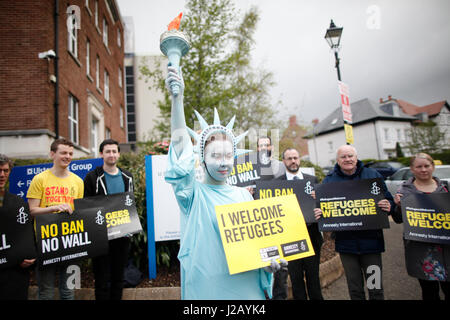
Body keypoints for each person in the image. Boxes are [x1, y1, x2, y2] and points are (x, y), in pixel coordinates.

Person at [164, 64, 280, 299]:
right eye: (215, 155)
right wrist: (178, 100)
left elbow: (257, 242)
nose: (224, 162)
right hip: (208, 289)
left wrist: (269, 263)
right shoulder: (191, 195)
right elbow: (179, 145)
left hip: (247, 286)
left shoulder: (244, 195)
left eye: (228, 155)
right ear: (202, 158)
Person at [314, 144, 394, 300]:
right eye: (343, 157)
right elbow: (323, 206)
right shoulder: (330, 180)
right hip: (346, 246)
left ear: (356, 158)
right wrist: (320, 213)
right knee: (355, 288)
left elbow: (388, 200)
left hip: (372, 244)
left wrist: (388, 205)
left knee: (375, 286)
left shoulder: (372, 175)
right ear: (337, 160)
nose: (347, 159)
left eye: (350, 156)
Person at [27, 138, 84, 300]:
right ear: (52, 154)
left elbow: (79, 211)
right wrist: (53, 208)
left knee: (69, 291)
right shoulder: (39, 179)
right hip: (46, 242)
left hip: (71, 241)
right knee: (46, 292)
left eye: (71, 154)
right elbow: (32, 211)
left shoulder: (78, 182)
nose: (67, 156)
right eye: (63, 153)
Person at [392, 153, 449, 300]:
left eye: (427, 166)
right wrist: (398, 206)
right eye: (419, 166)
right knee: (430, 292)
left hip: (446, 248)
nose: (423, 170)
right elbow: (398, 219)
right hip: (422, 250)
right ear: (412, 169)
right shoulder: (404, 191)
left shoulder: (446, 188)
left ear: (433, 167)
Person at [83, 139, 134, 300]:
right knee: (101, 279)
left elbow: (130, 204)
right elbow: (86, 206)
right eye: (108, 151)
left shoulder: (128, 177)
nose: (111, 155)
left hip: (122, 235)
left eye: (114, 151)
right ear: (101, 154)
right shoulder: (92, 177)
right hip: (100, 237)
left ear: (118, 154)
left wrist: (130, 228)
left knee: (118, 277)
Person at [274, 148, 323, 300]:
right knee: (295, 279)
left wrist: (319, 204)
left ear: (299, 159)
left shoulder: (312, 180)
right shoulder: (277, 183)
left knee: (313, 276)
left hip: (312, 234)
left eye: (295, 157)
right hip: (290, 237)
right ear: (284, 161)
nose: (293, 161)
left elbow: (324, 206)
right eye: (289, 158)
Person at [0, 154, 36, 300]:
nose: (1, 175)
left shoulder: (18, 203)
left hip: (15, 275)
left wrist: (32, 258)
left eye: (5, 171)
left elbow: (26, 234)